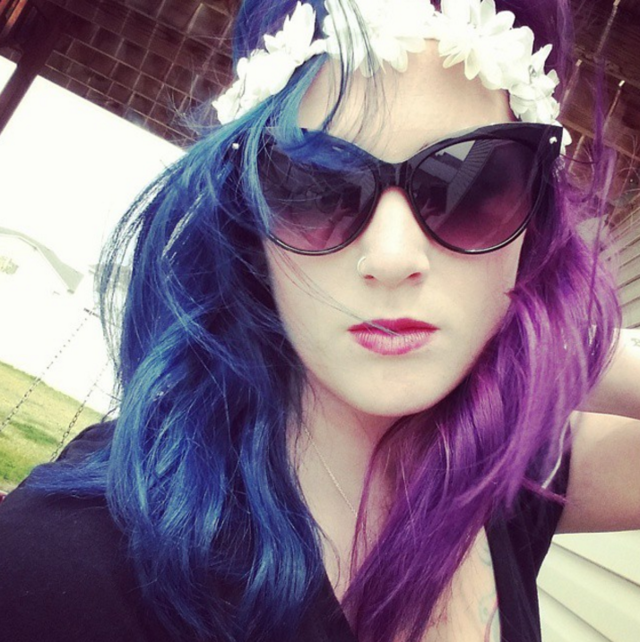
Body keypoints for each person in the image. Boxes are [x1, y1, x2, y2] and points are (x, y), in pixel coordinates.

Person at [0, 1, 638, 641]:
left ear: (535, 226)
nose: (391, 258)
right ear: (247, 219)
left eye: (473, 187)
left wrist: (561, 337)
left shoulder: (500, 473)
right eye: (314, 188)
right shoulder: (71, 568)